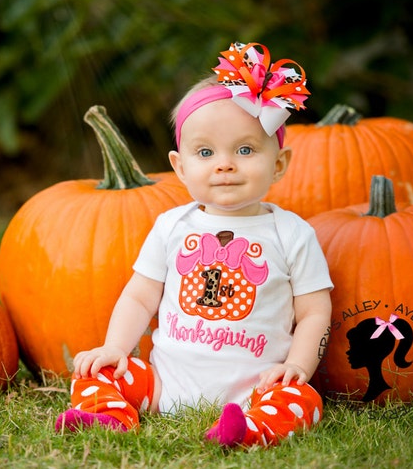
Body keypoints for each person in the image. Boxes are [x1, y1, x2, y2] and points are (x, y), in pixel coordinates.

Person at [55, 41, 333, 448]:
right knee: (96, 370)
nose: (225, 163)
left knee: (302, 399)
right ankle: (109, 415)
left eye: (245, 149)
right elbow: (139, 297)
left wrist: (297, 366)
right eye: (205, 152)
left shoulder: (292, 233)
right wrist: (116, 347)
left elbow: (314, 310)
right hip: (164, 385)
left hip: (255, 389)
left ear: (279, 165)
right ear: (180, 167)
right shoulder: (171, 226)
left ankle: (252, 428)